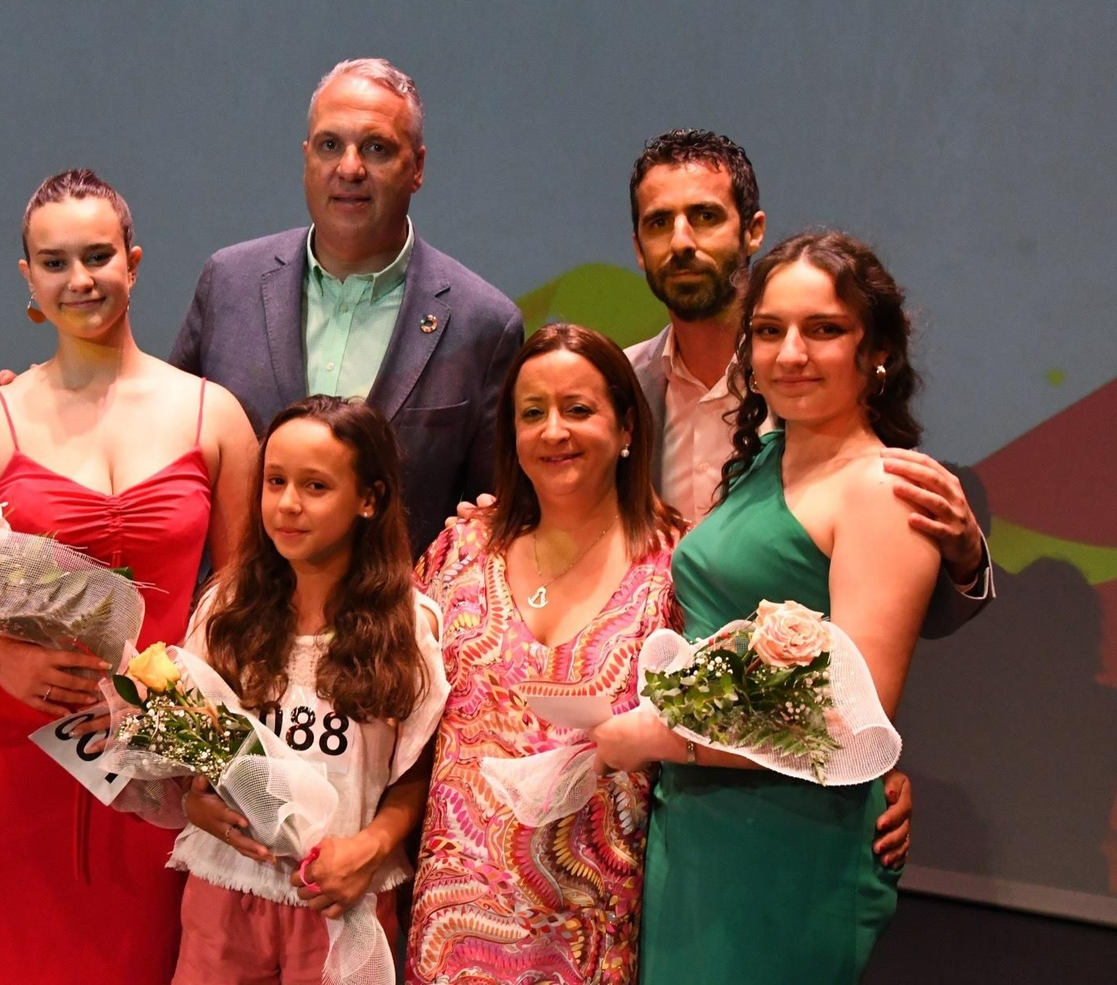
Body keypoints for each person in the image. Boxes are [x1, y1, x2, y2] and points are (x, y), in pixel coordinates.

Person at [0, 168, 257, 983]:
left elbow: (240, 591)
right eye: (54, 262)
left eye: (97, 256)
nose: (80, 280)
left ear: (133, 261)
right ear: (28, 279)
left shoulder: (214, 414)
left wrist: (180, 710)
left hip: (153, 763)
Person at [593, 230, 940, 982]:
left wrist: (658, 737)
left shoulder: (881, 489)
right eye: (770, 330)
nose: (791, 354)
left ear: (877, 351)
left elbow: (846, 720)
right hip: (701, 828)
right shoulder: (765, 460)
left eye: (824, 329)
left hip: (789, 847)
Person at [622, 129, 991, 629]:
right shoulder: (614, 388)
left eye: (705, 216)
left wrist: (966, 563)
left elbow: (888, 576)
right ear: (638, 247)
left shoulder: (813, 382)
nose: (682, 241)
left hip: (814, 673)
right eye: (659, 222)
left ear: (752, 231)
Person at [408, 324, 684, 984]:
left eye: (578, 409)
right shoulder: (460, 550)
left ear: (626, 427)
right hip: (452, 934)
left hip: (593, 941)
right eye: (532, 413)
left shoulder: (680, 567)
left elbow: (714, 728)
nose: (553, 431)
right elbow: (394, 713)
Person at [169, 57, 525, 554]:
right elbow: (164, 456)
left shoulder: (482, 324)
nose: (350, 168)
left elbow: (497, 519)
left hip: (401, 601)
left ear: (417, 167)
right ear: (306, 158)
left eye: (376, 148)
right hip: (239, 598)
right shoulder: (229, 284)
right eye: (330, 145)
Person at [169, 395, 447, 984]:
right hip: (225, 894)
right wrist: (193, 800)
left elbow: (418, 771)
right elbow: (190, 748)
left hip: (340, 901)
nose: (288, 504)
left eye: (315, 486)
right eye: (275, 482)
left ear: (369, 499)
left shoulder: (408, 625)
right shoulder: (225, 608)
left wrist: (372, 846)